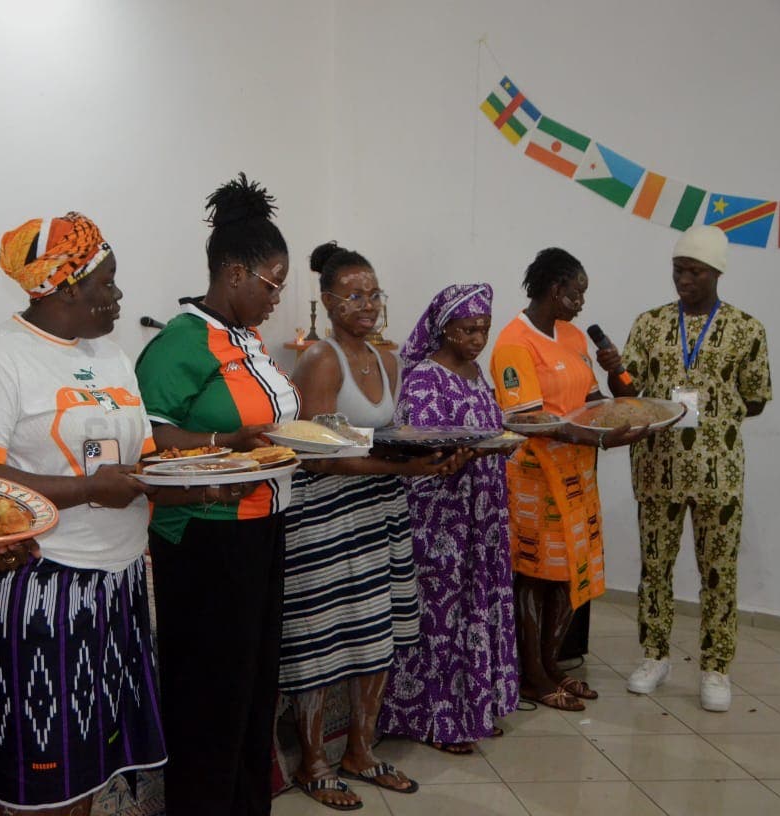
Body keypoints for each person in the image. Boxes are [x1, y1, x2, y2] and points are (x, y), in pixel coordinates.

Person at [0, 212, 168, 816]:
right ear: (66, 287)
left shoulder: (112, 356)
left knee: (84, 766)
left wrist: (199, 479)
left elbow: (141, 459)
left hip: (112, 580)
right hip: (37, 585)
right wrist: (87, 489)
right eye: (107, 281)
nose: (118, 294)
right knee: (40, 781)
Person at [134, 173, 299, 816]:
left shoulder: (248, 340)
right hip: (205, 536)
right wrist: (232, 442)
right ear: (235, 273)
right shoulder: (182, 340)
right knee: (210, 696)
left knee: (254, 688)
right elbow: (146, 436)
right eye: (272, 284)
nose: (275, 299)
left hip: (262, 526)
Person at [280, 242, 462, 810]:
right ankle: (313, 761)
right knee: (321, 633)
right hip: (325, 514)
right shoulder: (321, 360)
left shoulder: (388, 359)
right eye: (354, 295)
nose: (367, 304)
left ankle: (360, 749)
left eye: (374, 294)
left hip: (378, 511)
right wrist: (399, 466)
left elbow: (390, 434)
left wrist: (436, 456)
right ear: (328, 301)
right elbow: (317, 454)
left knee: (376, 632)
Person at [599, 225, 771, 713]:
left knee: (719, 572)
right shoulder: (650, 324)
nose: (684, 280)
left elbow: (755, 399)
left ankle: (715, 667)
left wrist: (713, 415)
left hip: (720, 474)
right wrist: (615, 368)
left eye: (694, 271)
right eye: (678, 270)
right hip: (658, 469)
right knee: (655, 568)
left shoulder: (747, 329)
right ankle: (654, 656)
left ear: (717, 272)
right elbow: (627, 391)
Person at [490, 248, 648, 711]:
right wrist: (596, 438)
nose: (581, 301)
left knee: (568, 573)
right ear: (556, 290)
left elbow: (600, 399)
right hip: (534, 478)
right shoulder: (513, 343)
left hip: (578, 473)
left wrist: (617, 374)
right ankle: (532, 676)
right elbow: (527, 419)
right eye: (577, 293)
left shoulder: (575, 336)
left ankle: (551, 663)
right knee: (535, 577)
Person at [376, 283, 518, 754]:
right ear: (444, 328)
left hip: (483, 511)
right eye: (467, 330)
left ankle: (472, 707)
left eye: (483, 329)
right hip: (441, 515)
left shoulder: (478, 373)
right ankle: (434, 719)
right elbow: (415, 444)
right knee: (441, 614)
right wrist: (457, 453)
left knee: (478, 604)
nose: (478, 339)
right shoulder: (424, 378)